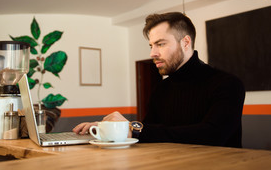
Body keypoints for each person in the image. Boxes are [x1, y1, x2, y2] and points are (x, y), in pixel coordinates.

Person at [73, 12, 245, 148]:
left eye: (161, 44)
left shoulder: (228, 84)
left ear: (185, 42)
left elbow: (212, 135)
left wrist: (134, 129)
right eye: (151, 45)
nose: (152, 53)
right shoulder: (161, 89)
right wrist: (110, 129)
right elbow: (147, 137)